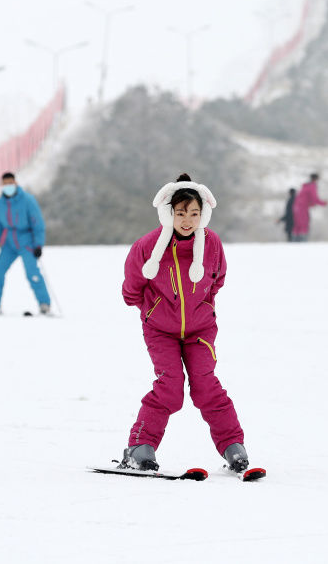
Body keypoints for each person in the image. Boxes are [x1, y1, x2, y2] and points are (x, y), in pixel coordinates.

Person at [119, 173, 251, 473]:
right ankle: (140, 447)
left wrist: (203, 304)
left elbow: (217, 279)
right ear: (169, 213)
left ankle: (233, 447)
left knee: (206, 385)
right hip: (160, 330)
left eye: (194, 213)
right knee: (170, 387)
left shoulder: (212, 243)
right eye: (181, 213)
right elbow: (132, 286)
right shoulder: (149, 246)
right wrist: (151, 308)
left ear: (203, 214)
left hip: (200, 329)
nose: (188, 220)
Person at [0, 172, 51, 315]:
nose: (8, 186)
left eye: (11, 183)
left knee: (32, 273)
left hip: (27, 242)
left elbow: (38, 223)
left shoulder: (27, 200)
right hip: (9, 243)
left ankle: (44, 304)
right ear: (1, 186)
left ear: (15, 183)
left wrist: (38, 244)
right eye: (5, 184)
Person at [291, 173, 327, 241]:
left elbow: (306, 197)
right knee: (304, 224)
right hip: (302, 207)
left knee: (297, 225)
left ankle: (294, 242)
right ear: (316, 179)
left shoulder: (305, 186)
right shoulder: (312, 186)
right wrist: (324, 203)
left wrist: (311, 204)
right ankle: (303, 243)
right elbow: (314, 198)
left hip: (296, 207)